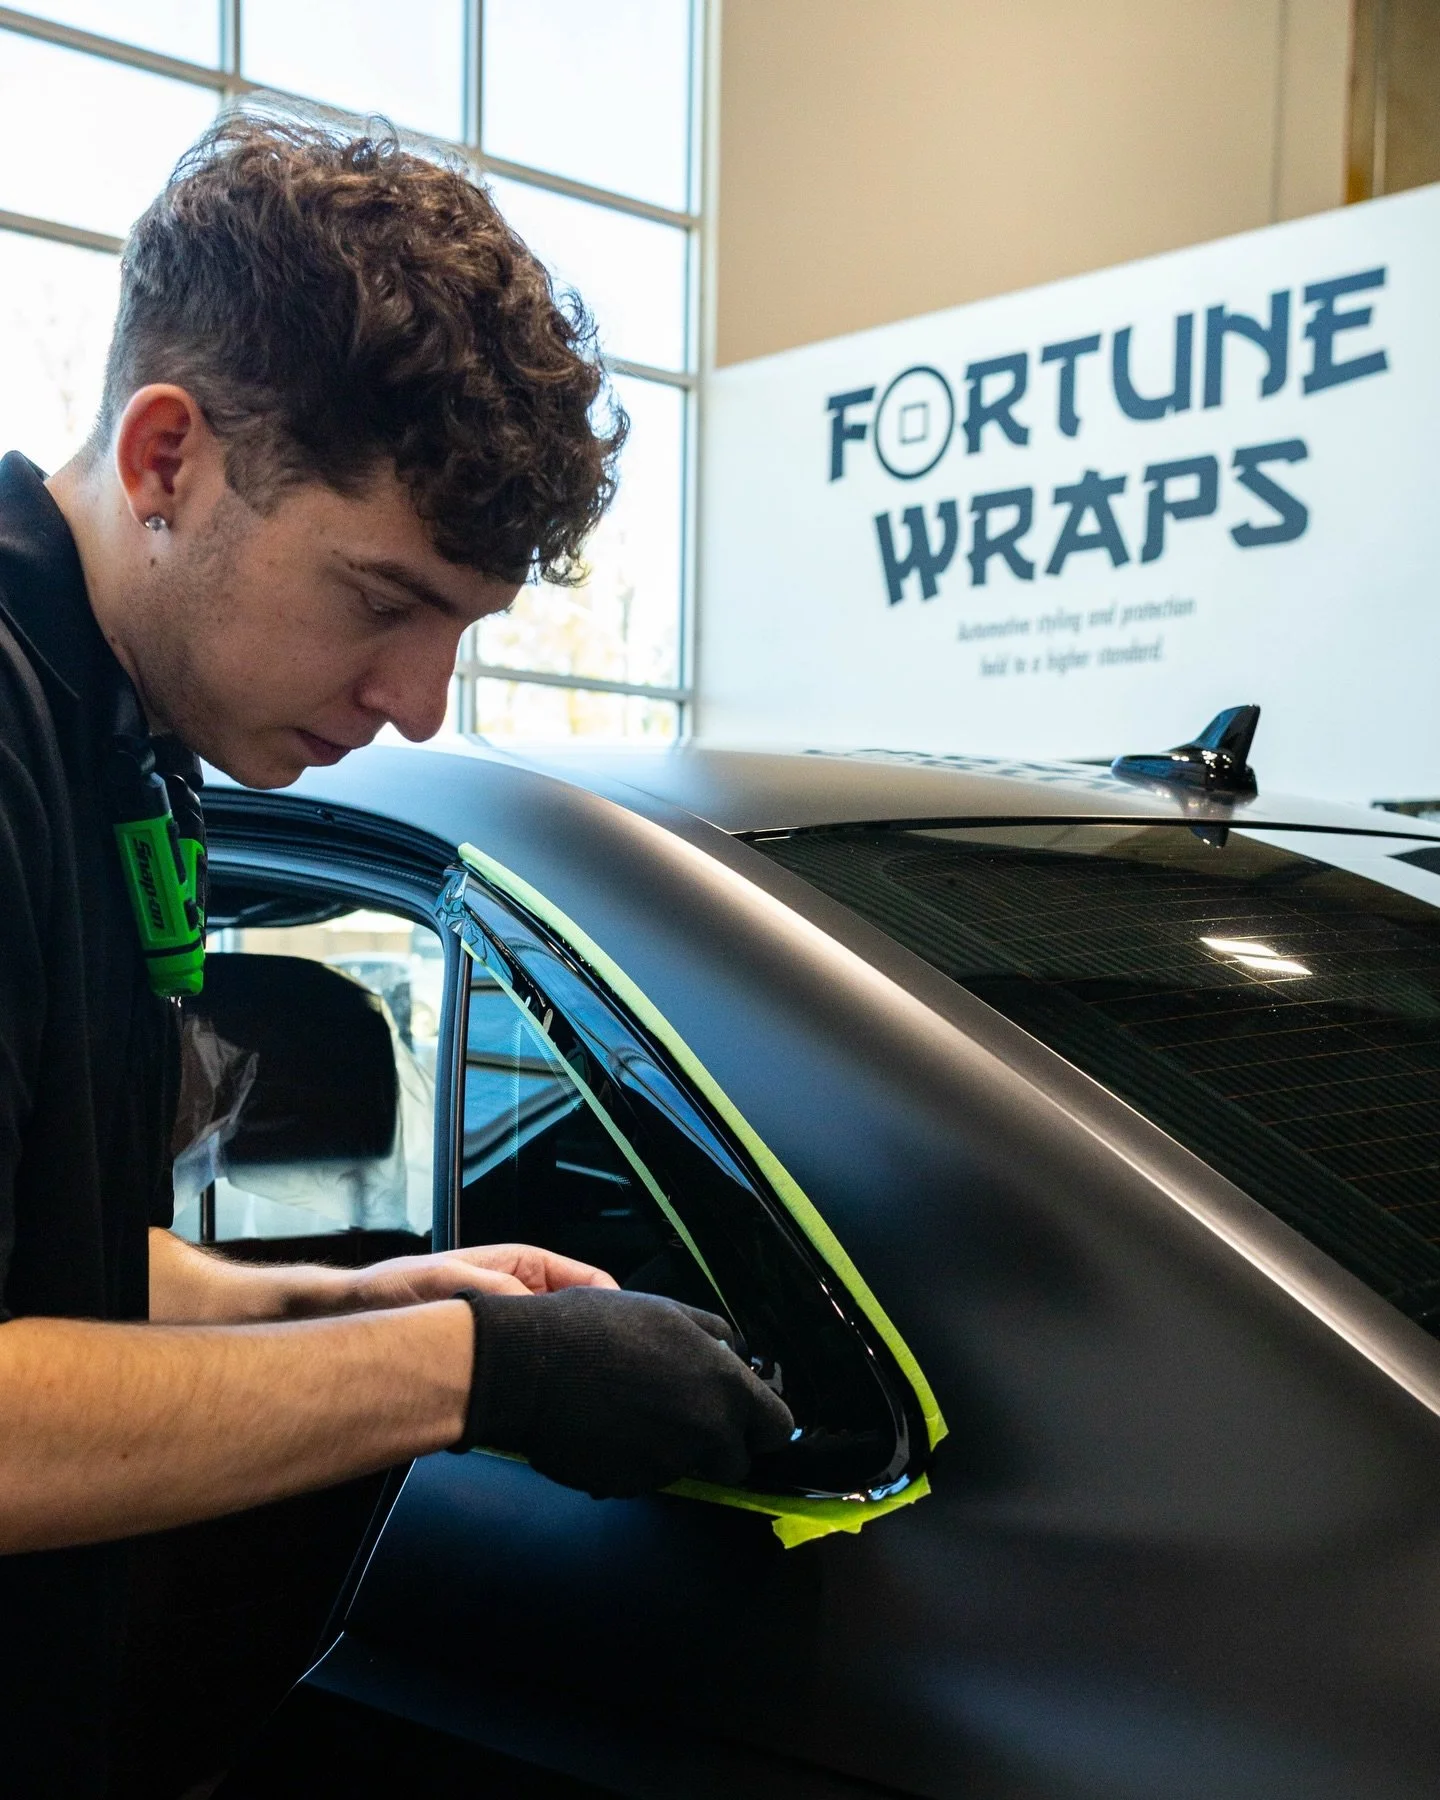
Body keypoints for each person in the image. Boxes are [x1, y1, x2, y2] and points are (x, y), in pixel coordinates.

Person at [0, 114, 793, 1797]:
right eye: (382, 601)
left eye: (459, 631)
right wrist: (465, 1372)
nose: (419, 702)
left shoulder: (128, 738)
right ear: (166, 461)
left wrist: (354, 1297)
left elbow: (54, 1267)